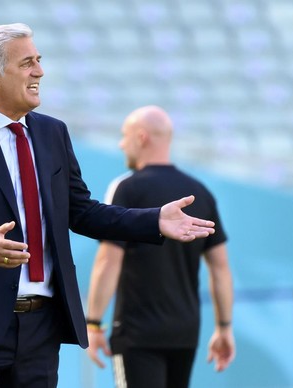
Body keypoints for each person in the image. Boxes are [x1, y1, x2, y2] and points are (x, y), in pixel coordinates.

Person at [0, 23, 216, 388]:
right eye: (27, 63)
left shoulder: (52, 133)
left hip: (41, 329)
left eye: (38, 60)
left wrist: (153, 220)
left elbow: (82, 211)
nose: (39, 71)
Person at [85, 106, 235, 388]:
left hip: (137, 332)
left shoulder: (127, 188)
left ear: (141, 138)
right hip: (185, 332)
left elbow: (109, 260)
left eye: (124, 136)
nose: (121, 144)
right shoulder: (200, 192)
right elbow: (220, 268)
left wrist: (93, 323)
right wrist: (224, 327)